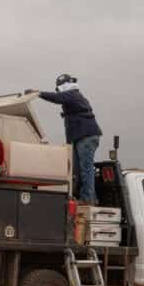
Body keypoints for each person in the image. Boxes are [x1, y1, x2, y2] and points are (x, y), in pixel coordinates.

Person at [37, 74, 102, 204]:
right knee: (78, 170)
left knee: (85, 169)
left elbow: (57, 98)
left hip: (86, 137)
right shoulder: (73, 97)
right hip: (82, 137)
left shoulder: (73, 94)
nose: (58, 90)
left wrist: (39, 93)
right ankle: (89, 197)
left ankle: (88, 198)